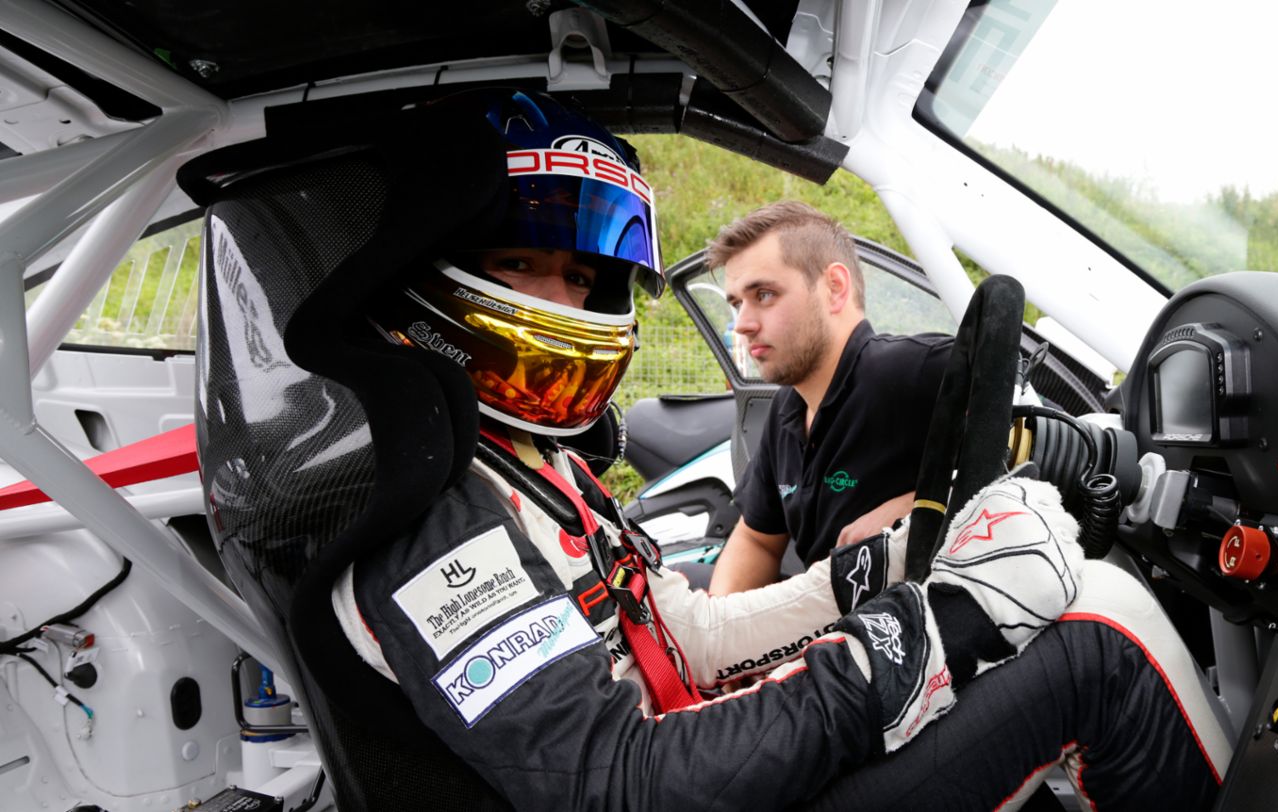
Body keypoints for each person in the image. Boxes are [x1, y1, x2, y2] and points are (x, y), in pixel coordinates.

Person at [312, 90, 1223, 810]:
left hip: (701, 751)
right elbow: (617, 781)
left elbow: (687, 633)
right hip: (677, 778)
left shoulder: (534, 467)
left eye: (582, 277)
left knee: (1086, 602)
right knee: (1104, 635)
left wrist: (879, 570)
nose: (564, 302)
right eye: (520, 264)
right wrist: (932, 629)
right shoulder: (431, 520)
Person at [707, 202, 951, 594]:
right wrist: (716, 621)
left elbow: (1041, 455)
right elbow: (757, 539)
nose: (743, 325)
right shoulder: (786, 410)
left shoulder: (917, 370)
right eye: (737, 304)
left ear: (834, 288)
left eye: (764, 294)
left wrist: (919, 506)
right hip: (824, 621)